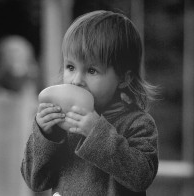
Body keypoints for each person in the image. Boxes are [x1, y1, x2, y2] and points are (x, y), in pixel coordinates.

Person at [21, 10, 158, 196]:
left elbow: (141, 177)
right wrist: (46, 135)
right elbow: (35, 181)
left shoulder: (137, 123)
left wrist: (97, 133)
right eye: (70, 67)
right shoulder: (62, 123)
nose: (76, 80)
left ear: (124, 78)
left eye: (92, 70)